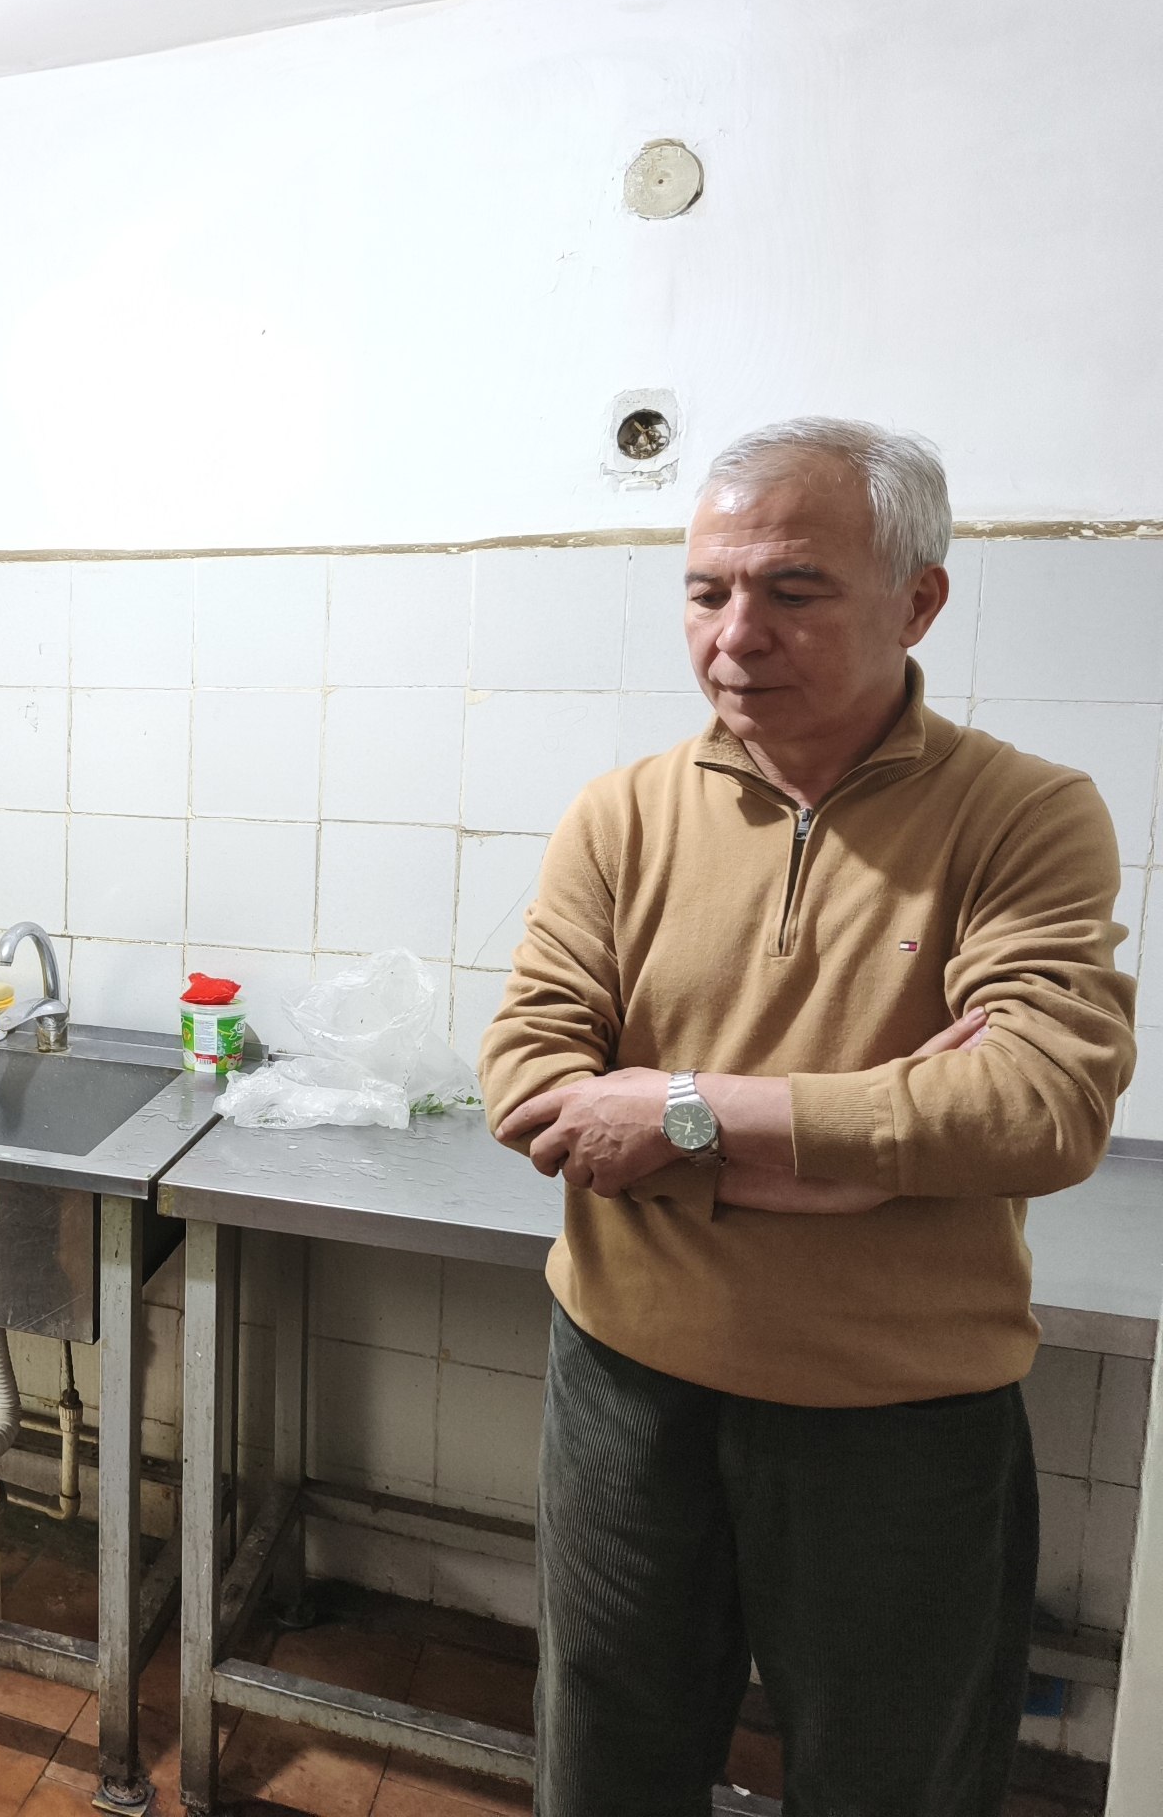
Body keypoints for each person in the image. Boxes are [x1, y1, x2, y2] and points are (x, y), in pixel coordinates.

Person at [480, 418, 1138, 1815]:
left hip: (899, 1418)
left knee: (894, 1784)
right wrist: (855, 1161)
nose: (736, 636)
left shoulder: (1023, 817)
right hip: (627, 1382)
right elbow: (531, 1080)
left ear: (918, 601)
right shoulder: (621, 818)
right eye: (707, 591)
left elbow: (1039, 1105)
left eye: (793, 590)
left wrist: (684, 1111)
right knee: (608, 1769)